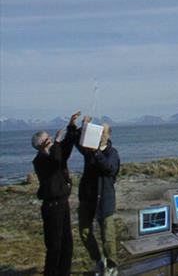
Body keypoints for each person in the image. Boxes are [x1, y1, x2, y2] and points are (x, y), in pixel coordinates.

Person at [32, 111, 80, 276]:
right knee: (55, 246)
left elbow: (65, 149)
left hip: (62, 203)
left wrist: (71, 126)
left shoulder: (54, 153)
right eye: (47, 139)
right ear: (41, 144)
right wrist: (57, 143)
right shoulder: (40, 161)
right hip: (52, 207)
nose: (50, 140)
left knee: (67, 244)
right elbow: (56, 161)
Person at [75, 117, 120, 276]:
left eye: (104, 132)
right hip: (87, 199)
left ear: (109, 135)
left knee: (107, 236)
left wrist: (97, 153)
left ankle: (112, 266)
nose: (100, 134)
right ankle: (99, 261)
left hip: (105, 200)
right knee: (84, 231)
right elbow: (77, 141)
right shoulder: (89, 150)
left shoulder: (112, 153)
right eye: (99, 131)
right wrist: (82, 126)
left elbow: (109, 169)